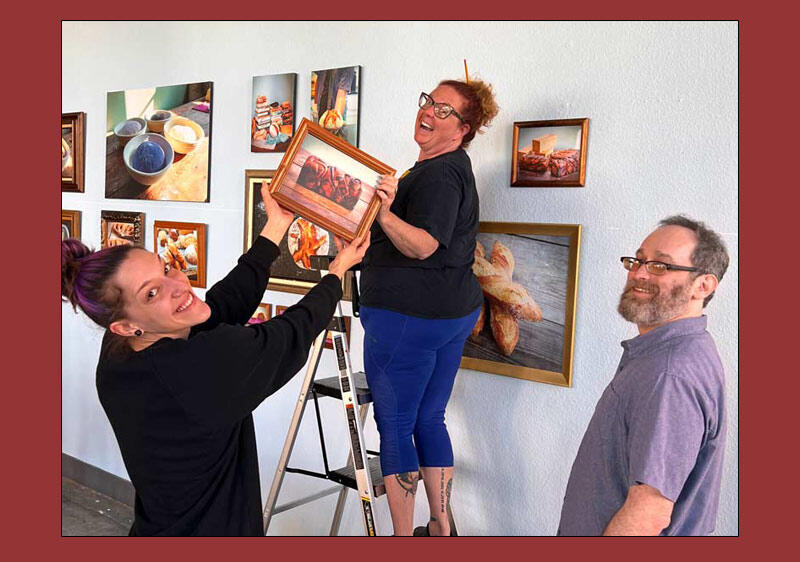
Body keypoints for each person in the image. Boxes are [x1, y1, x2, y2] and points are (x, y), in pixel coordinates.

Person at [61, 184, 369, 536]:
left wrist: (274, 230)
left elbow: (221, 307)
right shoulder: (195, 367)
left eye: (165, 269)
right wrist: (336, 273)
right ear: (127, 324)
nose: (178, 285)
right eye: (152, 292)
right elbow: (288, 335)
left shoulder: (120, 349)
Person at [359, 78, 499, 536]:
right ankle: (441, 527)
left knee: (396, 425)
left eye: (445, 111)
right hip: (450, 315)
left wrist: (381, 212)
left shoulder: (440, 173)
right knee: (428, 417)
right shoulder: (451, 167)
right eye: (430, 102)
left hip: (409, 320)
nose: (430, 112)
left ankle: (402, 539)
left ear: (463, 129)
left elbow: (421, 246)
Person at [558, 215, 730, 536]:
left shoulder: (670, 374)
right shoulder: (672, 353)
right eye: (638, 260)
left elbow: (648, 514)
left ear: (703, 285)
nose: (638, 273)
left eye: (660, 267)